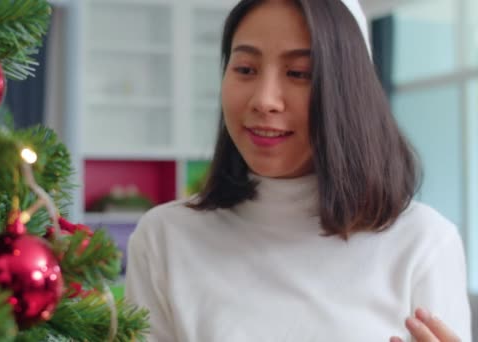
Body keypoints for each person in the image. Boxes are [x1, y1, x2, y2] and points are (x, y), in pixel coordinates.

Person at [124, 0, 472, 341]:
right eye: (245, 69)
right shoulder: (165, 238)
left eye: (298, 73)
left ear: (349, 93)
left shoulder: (423, 243)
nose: (264, 100)